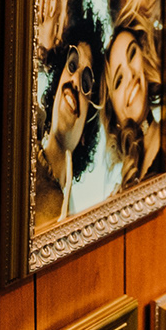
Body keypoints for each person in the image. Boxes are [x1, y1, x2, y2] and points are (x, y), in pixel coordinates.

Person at [31, 25, 100, 227]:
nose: (75, 80)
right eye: (72, 64)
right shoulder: (23, 149)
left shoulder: (70, 214)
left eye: (86, 82)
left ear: (86, 130)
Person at [103, 18, 162, 188]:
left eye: (132, 54)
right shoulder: (126, 180)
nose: (130, 74)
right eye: (119, 80)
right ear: (113, 113)